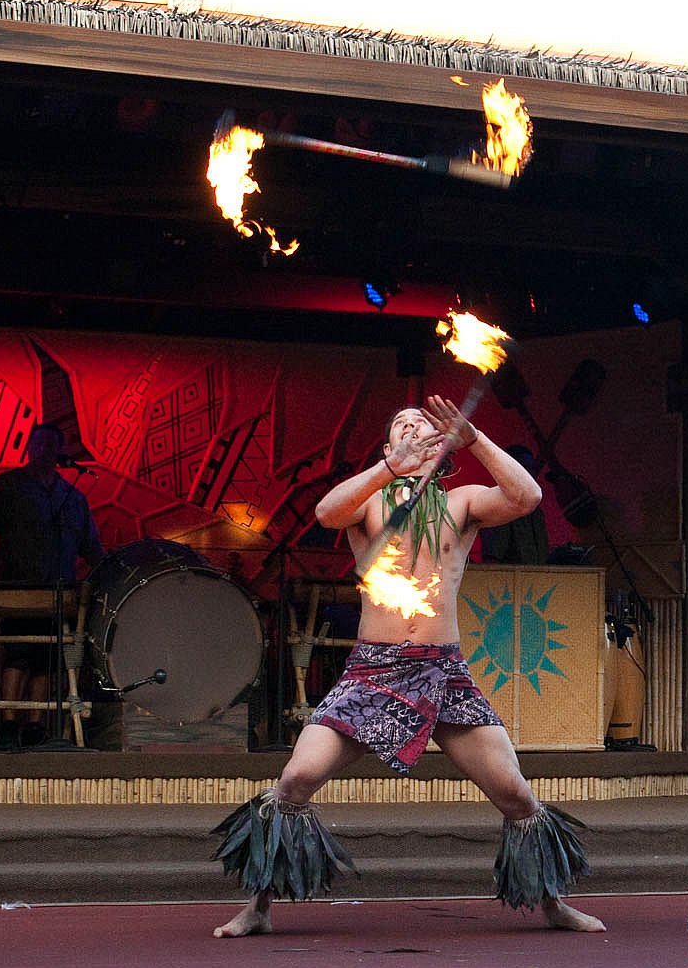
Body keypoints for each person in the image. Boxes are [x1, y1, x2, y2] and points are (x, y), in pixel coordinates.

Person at [212, 396, 605, 937]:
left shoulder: (461, 503)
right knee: (296, 778)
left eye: (422, 423)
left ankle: (553, 904)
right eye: (401, 424)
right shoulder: (371, 503)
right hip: (373, 671)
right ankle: (258, 907)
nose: (413, 427)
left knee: (516, 794)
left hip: (443, 672)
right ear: (388, 445)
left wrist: (473, 439)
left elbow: (527, 497)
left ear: (441, 445)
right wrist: (388, 469)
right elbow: (326, 513)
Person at [0, 422, 103, 748]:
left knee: (47, 658)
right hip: (19, 584)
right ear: (29, 447)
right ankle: (8, 723)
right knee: (18, 653)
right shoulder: (9, 485)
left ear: (59, 452)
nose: (44, 449)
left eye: (51, 445)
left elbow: (92, 547)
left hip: (57, 589)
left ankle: (34, 724)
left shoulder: (72, 496)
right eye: (39, 443)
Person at [480, 444, 550, 565]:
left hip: (537, 575)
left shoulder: (536, 511)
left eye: (532, 468)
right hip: (507, 576)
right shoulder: (497, 506)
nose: (530, 474)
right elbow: (491, 560)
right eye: (524, 468)